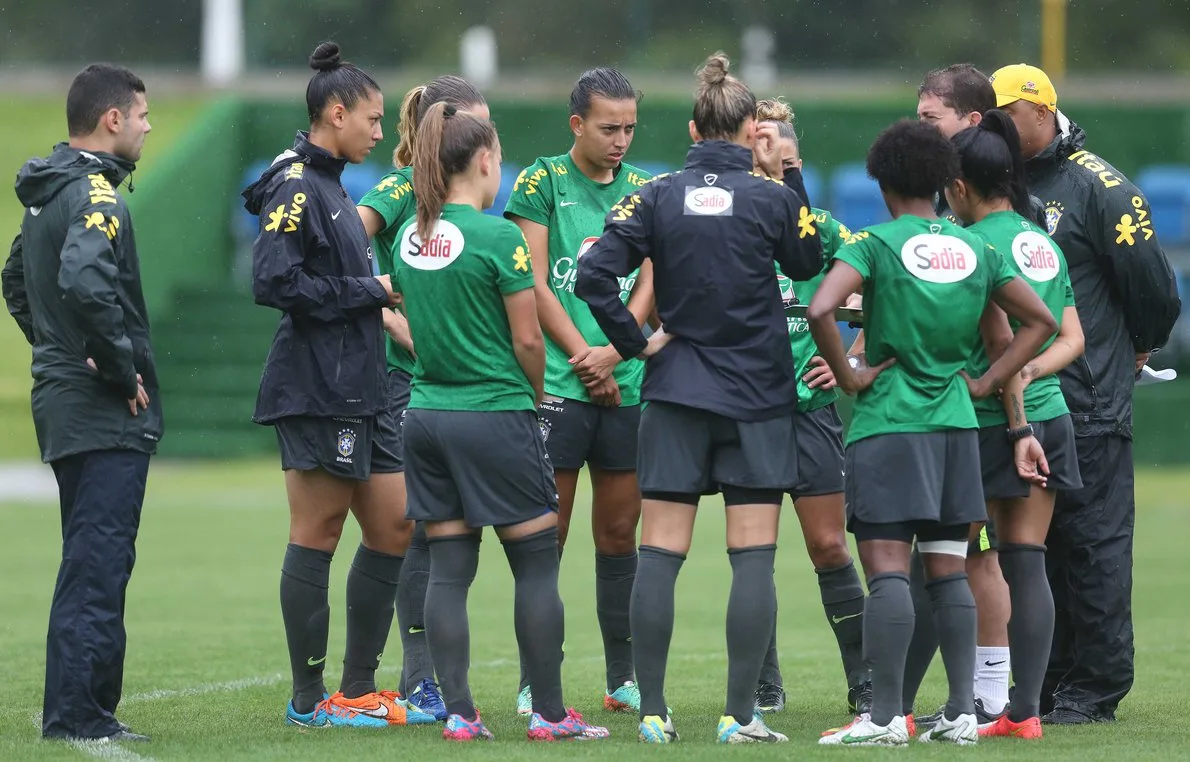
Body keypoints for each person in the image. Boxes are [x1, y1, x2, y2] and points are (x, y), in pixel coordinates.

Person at [575, 51, 823, 744]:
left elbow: (595, 275)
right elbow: (807, 263)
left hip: (676, 390)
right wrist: (789, 170)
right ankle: (739, 717)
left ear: (691, 130)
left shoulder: (652, 195)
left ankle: (653, 714)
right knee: (753, 556)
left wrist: (635, 341)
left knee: (659, 554)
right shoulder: (772, 198)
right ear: (751, 132)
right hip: (757, 398)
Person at [810, 119, 1057, 747]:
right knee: (950, 569)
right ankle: (959, 715)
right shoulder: (976, 248)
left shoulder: (873, 244)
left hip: (891, 425)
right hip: (956, 428)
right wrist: (985, 383)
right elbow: (1039, 320)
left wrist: (852, 375)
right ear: (944, 183)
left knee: (890, 571)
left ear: (883, 183)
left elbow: (818, 309)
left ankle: (887, 717)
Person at [394, 101, 609, 743]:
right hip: (495, 415)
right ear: (484, 160)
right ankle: (548, 714)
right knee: (538, 566)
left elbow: (416, 324)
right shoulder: (498, 237)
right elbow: (529, 341)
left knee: (449, 569)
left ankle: (460, 715)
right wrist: (535, 397)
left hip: (426, 414)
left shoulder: (411, 233)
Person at [243, 42, 434, 728]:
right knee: (318, 531)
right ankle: (307, 701)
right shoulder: (297, 182)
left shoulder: (332, 184)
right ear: (336, 112)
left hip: (365, 387)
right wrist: (371, 289)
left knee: (395, 526)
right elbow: (272, 281)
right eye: (374, 119)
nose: (381, 133)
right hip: (319, 388)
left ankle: (357, 687)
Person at [991, 63, 1182, 724]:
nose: (996, 128)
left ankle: (1095, 687)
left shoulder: (1103, 189)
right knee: (1030, 549)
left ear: (1041, 111)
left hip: (1091, 396)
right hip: (1027, 401)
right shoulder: (1003, 183)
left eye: (1006, 116)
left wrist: (1136, 348)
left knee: (1093, 546)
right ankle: (1044, 681)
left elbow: (1155, 292)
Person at [1, 63, 158, 744]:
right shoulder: (96, 193)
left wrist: (59, 350)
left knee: (91, 556)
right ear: (112, 119)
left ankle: (86, 706)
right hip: (100, 410)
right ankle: (77, 715)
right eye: (144, 114)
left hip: (64, 399)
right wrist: (118, 370)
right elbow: (85, 280)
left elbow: (14, 279)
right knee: (97, 561)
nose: (150, 126)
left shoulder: (49, 191)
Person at [504, 67, 653, 715]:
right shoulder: (540, 180)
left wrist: (617, 348)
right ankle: (538, 678)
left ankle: (623, 677)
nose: (620, 139)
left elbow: (656, 280)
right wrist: (581, 354)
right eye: (607, 127)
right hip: (561, 384)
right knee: (549, 537)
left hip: (626, 382)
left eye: (629, 128)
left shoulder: (648, 190)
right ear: (576, 124)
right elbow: (533, 281)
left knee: (620, 533)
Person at [947, 108, 1086, 740]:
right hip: (1053, 416)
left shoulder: (976, 246)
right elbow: (1068, 337)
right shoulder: (1042, 241)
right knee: (1026, 562)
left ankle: (933, 708)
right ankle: (1024, 712)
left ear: (962, 186)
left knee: (945, 557)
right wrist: (1031, 375)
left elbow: (1000, 342)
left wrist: (1011, 393)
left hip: (990, 423)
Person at [356, 73, 489, 722]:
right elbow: (344, 238)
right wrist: (384, 306)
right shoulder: (402, 188)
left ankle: (429, 676)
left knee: (445, 528)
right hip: (400, 379)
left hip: (450, 380)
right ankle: (416, 677)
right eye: (473, 124)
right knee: (418, 527)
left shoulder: (464, 198)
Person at [748, 98, 870, 717]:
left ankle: (863, 682)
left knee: (829, 546)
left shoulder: (821, 228)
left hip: (812, 410)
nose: (779, 178)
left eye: (790, 167)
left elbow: (886, 283)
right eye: (768, 165)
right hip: (748, 411)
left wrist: (849, 356)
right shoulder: (733, 226)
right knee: (754, 551)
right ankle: (763, 684)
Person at [910, 62, 1014, 729]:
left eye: (929, 120)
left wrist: (992, 387)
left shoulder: (975, 240)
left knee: (957, 561)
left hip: (972, 420)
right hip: (997, 418)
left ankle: (950, 703)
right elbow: (1056, 331)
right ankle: (1001, 700)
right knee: (995, 560)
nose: (919, 131)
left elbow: (1016, 333)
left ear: (969, 125)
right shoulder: (1018, 228)